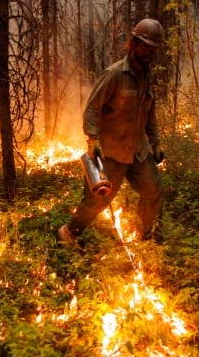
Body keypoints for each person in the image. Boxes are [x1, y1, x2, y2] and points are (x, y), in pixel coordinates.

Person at [58, 18, 166, 249]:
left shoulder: (147, 77)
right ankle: (68, 233)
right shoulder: (115, 74)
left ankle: (149, 239)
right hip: (111, 153)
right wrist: (93, 140)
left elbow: (150, 113)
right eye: (145, 46)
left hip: (138, 151)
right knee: (96, 201)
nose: (149, 52)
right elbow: (92, 108)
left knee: (154, 190)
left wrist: (155, 142)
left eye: (153, 48)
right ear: (134, 43)